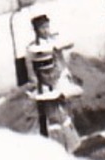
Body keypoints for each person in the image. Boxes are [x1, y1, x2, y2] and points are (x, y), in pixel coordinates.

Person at [24, 13, 81, 152]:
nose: (46, 30)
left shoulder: (54, 40)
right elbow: (31, 69)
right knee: (51, 115)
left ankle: (70, 142)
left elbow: (63, 55)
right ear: (36, 30)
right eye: (42, 28)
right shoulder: (33, 48)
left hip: (60, 78)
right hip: (45, 83)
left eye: (47, 27)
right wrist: (38, 85)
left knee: (66, 112)